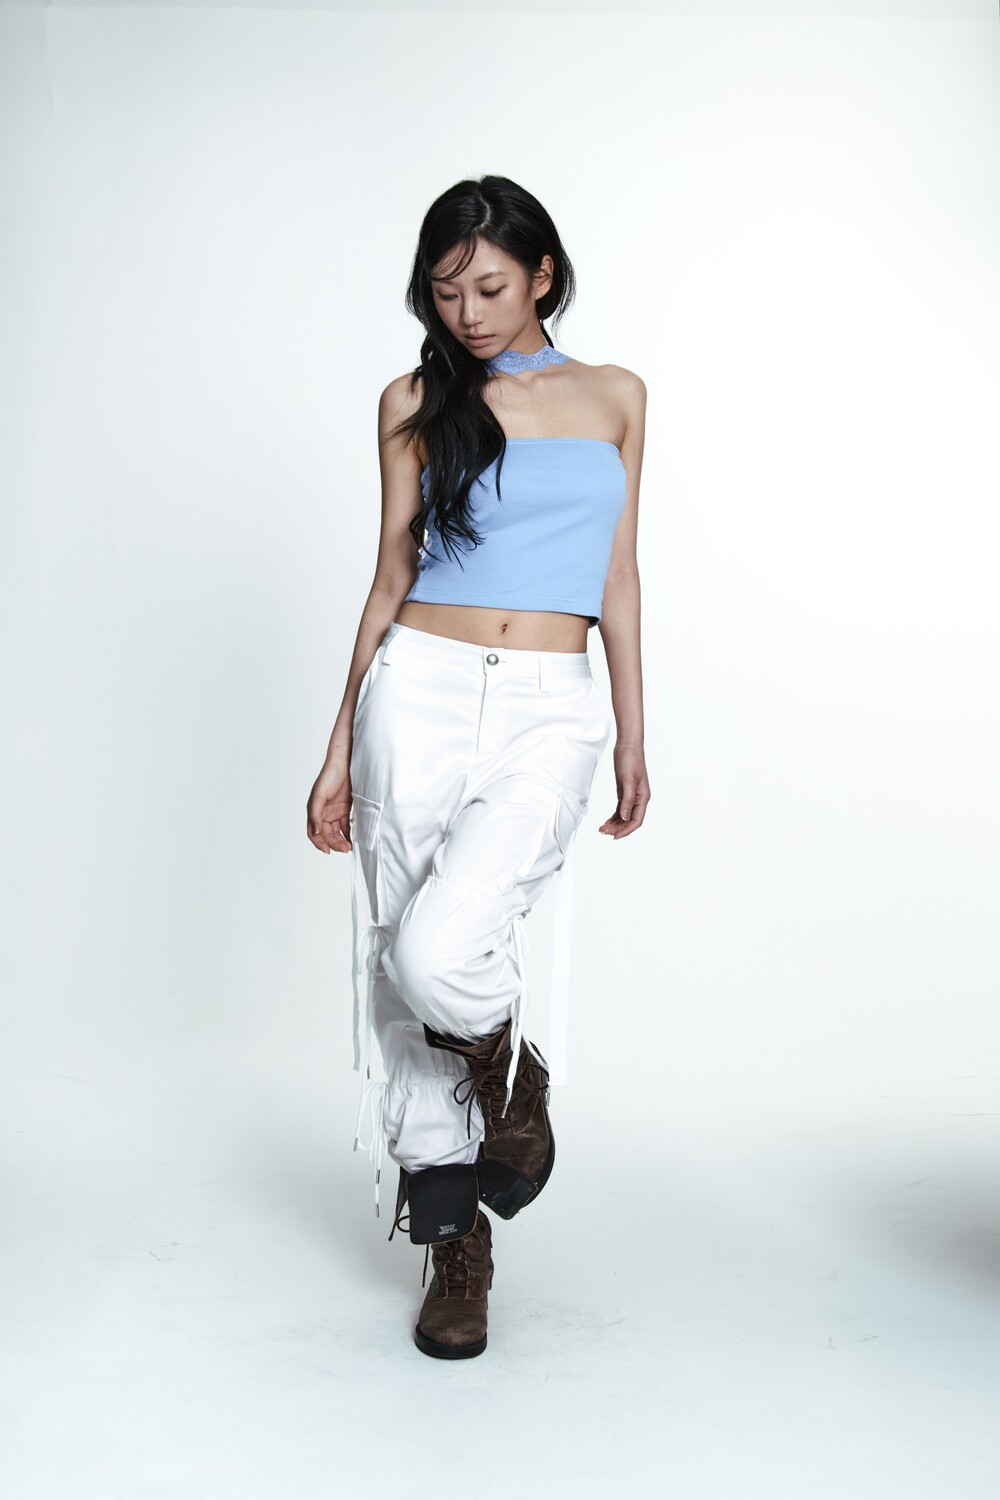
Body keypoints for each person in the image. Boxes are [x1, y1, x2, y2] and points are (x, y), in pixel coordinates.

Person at [306, 174, 649, 1360]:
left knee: (439, 949)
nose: (469, 313)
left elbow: (618, 576)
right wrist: (336, 746)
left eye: (491, 287)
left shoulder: (615, 396)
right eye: (446, 292)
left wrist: (634, 730)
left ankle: (509, 1077)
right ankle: (456, 1242)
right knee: (400, 951)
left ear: (542, 274)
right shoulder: (413, 400)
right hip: (420, 687)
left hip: (553, 701)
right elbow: (390, 573)